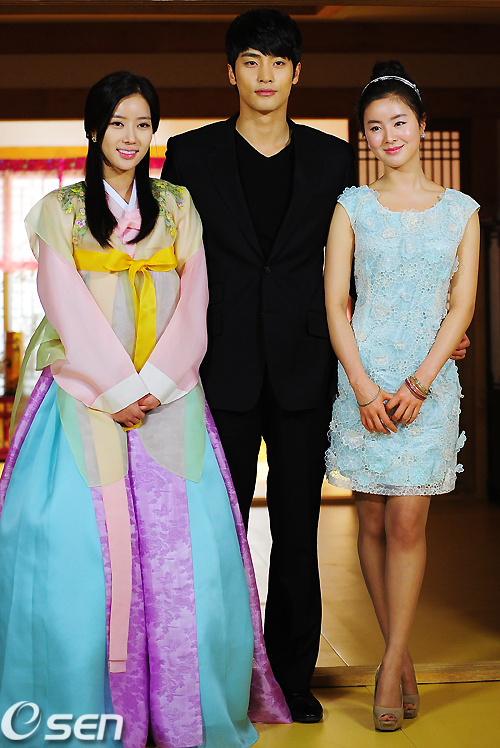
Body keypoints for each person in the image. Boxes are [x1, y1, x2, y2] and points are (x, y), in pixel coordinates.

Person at [0, 71, 292, 748]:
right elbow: (63, 304)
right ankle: (94, 707)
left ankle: (182, 712)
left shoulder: (179, 206)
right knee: (76, 548)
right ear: (93, 131)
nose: (130, 137)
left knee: (187, 557)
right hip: (85, 396)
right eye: (117, 123)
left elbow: (197, 298)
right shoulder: (60, 210)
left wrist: (158, 381)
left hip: (170, 397)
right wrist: (117, 388)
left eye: (142, 124)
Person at [162, 9, 356, 723]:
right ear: (231, 72)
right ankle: (222, 678)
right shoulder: (190, 155)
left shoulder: (334, 158)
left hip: (306, 364)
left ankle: (291, 679)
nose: (265, 75)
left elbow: (357, 264)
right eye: (251, 61)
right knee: (220, 531)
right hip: (221, 365)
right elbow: (168, 264)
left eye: (278, 62)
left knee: (299, 533)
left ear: (297, 73)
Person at [324, 60, 480, 731]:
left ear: (421, 126)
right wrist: (363, 387)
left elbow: (462, 305)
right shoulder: (351, 206)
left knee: (409, 523)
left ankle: (389, 664)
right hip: (363, 381)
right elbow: (335, 304)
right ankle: (401, 657)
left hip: (429, 384)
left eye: (399, 122)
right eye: (374, 127)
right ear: (364, 136)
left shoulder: (461, 211)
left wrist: (421, 381)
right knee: (372, 521)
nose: (388, 136)